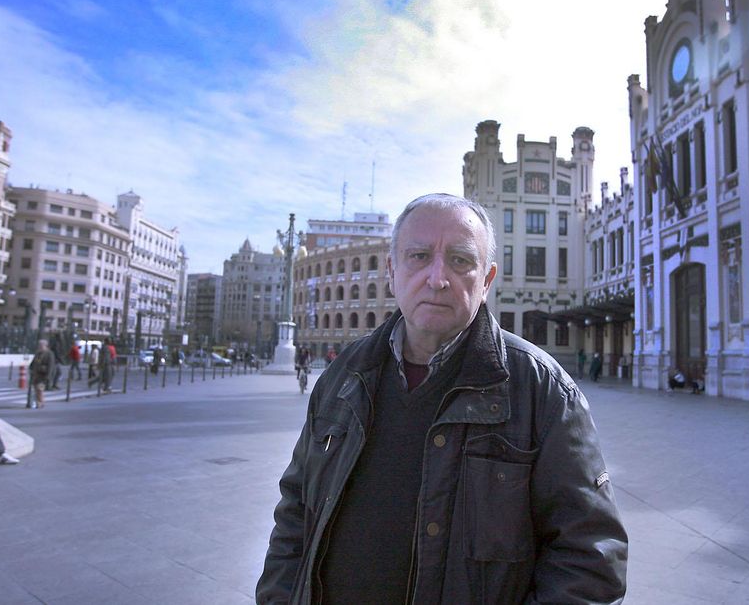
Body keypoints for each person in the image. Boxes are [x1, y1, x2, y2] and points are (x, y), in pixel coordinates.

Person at [258, 193, 627, 604]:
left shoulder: (543, 390)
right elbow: (296, 513)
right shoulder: (344, 376)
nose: (437, 278)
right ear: (392, 269)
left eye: (460, 260)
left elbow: (590, 559)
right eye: (418, 256)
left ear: (486, 281)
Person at [29, 339, 56, 409]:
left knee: (40, 389)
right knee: (36, 390)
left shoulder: (49, 354)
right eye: (39, 345)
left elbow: (51, 366)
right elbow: (33, 363)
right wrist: (31, 368)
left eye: (41, 345)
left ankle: (40, 403)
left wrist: (48, 376)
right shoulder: (38, 353)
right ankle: (39, 402)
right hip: (36, 375)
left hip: (43, 375)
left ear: (45, 345)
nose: (40, 347)